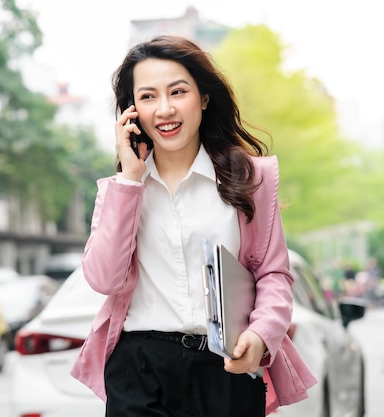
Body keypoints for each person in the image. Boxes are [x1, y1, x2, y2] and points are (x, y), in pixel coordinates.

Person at [70, 35, 317, 417]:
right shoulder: (120, 190)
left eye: (178, 92)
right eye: (148, 97)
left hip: (225, 367)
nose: (165, 109)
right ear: (132, 112)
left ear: (203, 98)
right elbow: (103, 279)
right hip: (140, 368)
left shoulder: (249, 179)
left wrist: (259, 333)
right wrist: (130, 180)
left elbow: (273, 273)